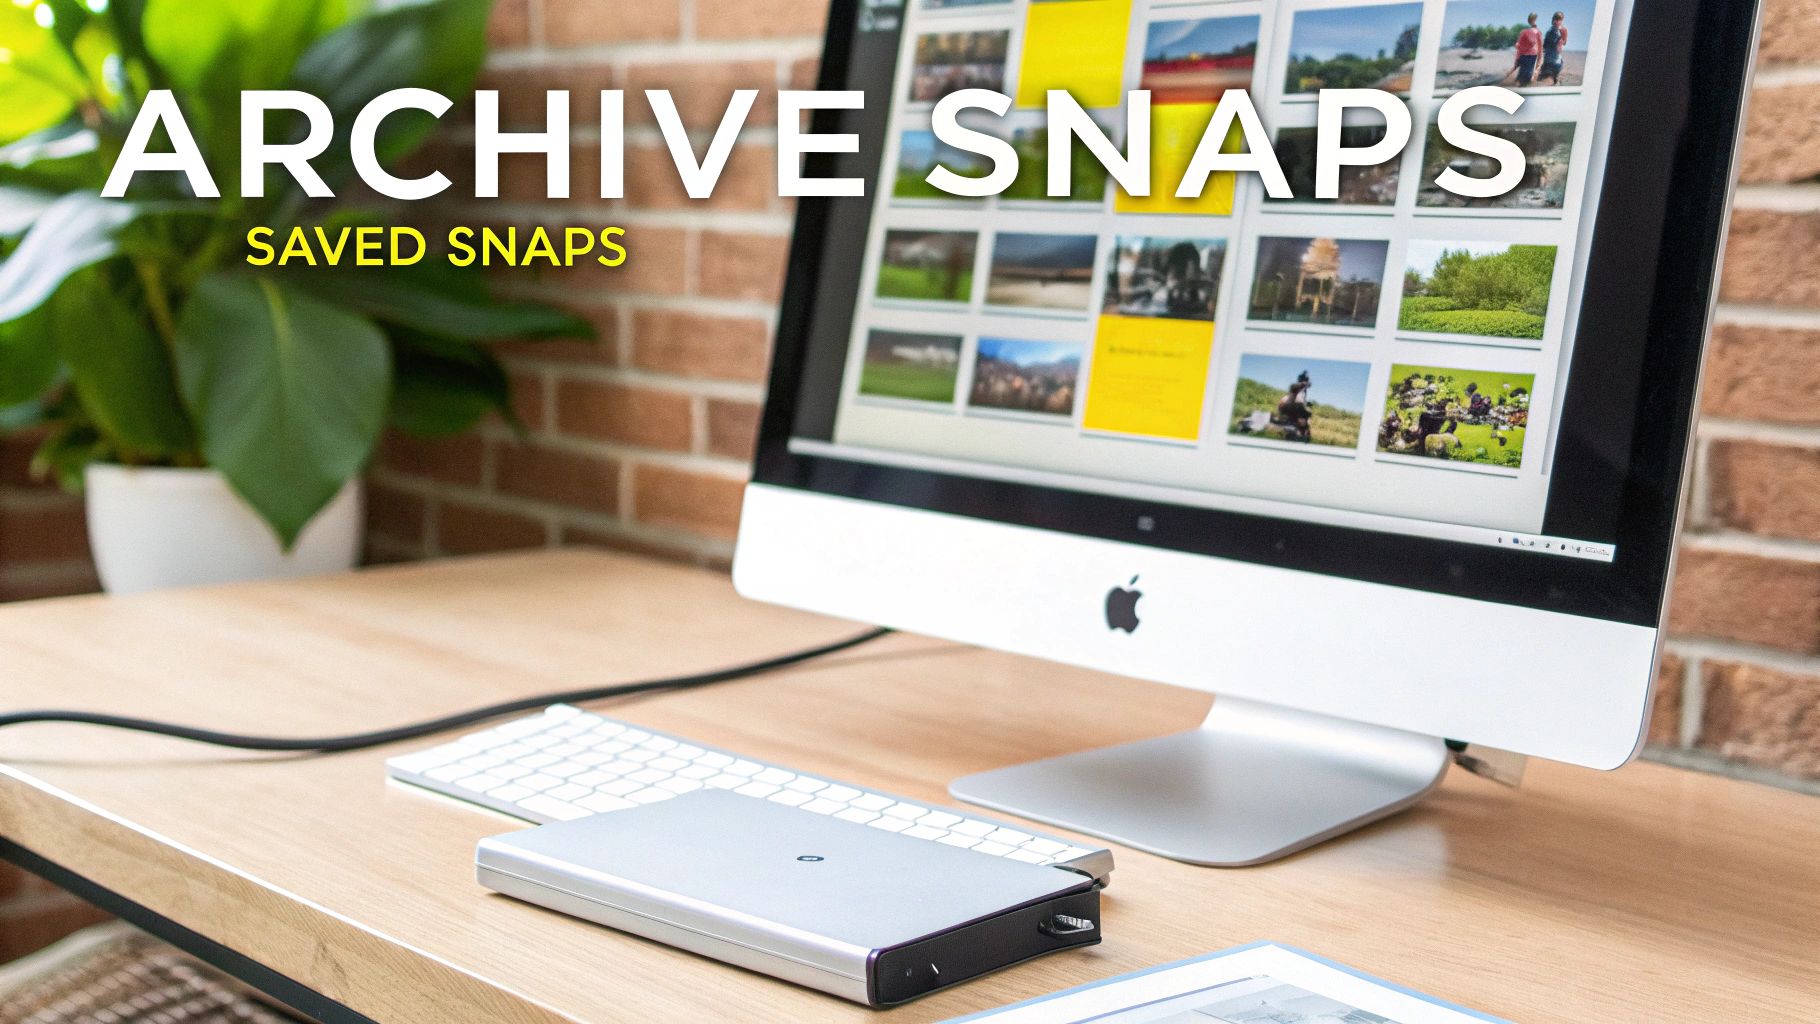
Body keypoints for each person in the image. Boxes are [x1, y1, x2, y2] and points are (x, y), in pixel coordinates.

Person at [1511, 13, 1542, 87]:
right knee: (1525, 76)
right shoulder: (1530, 32)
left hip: (1528, 56)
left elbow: (1518, 45)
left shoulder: (1527, 32)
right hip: (1528, 56)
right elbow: (1518, 45)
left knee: (1524, 76)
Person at [1541, 12, 1569, 85]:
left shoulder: (1552, 31)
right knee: (1548, 75)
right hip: (1553, 58)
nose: (1556, 21)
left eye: (1558, 19)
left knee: (1547, 75)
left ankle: (1554, 81)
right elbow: (1564, 42)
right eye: (1555, 19)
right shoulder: (1560, 30)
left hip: (1552, 57)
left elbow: (1544, 46)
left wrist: (1559, 41)